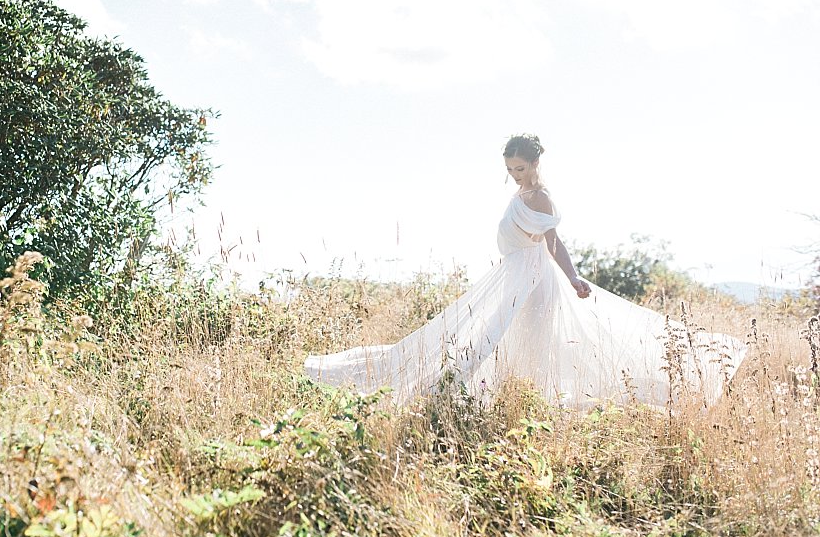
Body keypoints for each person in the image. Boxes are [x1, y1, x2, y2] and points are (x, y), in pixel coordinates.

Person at [304, 134, 747, 409]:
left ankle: (464, 395)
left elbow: (554, 242)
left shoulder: (541, 199)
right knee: (488, 336)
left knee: (498, 338)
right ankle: (465, 393)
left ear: (536, 163)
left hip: (534, 281)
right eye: (509, 169)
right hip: (514, 275)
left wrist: (574, 278)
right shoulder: (524, 194)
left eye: (520, 168)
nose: (514, 175)